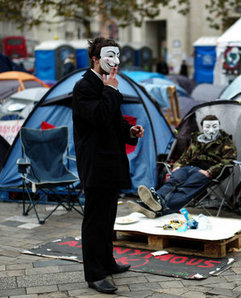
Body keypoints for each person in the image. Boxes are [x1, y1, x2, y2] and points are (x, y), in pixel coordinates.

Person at [72, 37, 144, 294]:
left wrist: (130, 131)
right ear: (95, 58)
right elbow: (98, 117)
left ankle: (107, 262)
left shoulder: (106, 83)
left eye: (116, 55)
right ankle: (94, 274)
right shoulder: (84, 87)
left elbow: (114, 120)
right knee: (95, 219)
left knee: (108, 217)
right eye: (108, 55)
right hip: (95, 162)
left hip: (111, 161)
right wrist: (111, 90)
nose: (114, 61)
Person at [128, 115, 237, 218]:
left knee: (185, 189)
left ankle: (158, 209)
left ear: (219, 126)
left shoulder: (225, 141)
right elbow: (185, 156)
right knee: (173, 181)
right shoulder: (197, 140)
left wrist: (210, 171)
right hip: (189, 167)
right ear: (203, 128)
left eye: (214, 126)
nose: (211, 130)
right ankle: (154, 202)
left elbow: (229, 160)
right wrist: (178, 165)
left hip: (206, 171)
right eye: (207, 127)